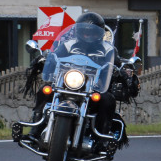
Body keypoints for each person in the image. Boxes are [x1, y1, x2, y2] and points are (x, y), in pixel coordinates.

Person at [29, 11, 122, 140]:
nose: (88, 35)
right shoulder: (68, 45)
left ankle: (102, 137)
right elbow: (55, 55)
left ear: (100, 33)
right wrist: (44, 58)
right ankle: (35, 129)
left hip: (94, 87)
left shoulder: (108, 49)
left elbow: (116, 63)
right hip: (67, 84)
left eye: (93, 32)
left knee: (107, 100)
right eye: (85, 32)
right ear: (78, 31)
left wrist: (121, 68)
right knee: (44, 90)